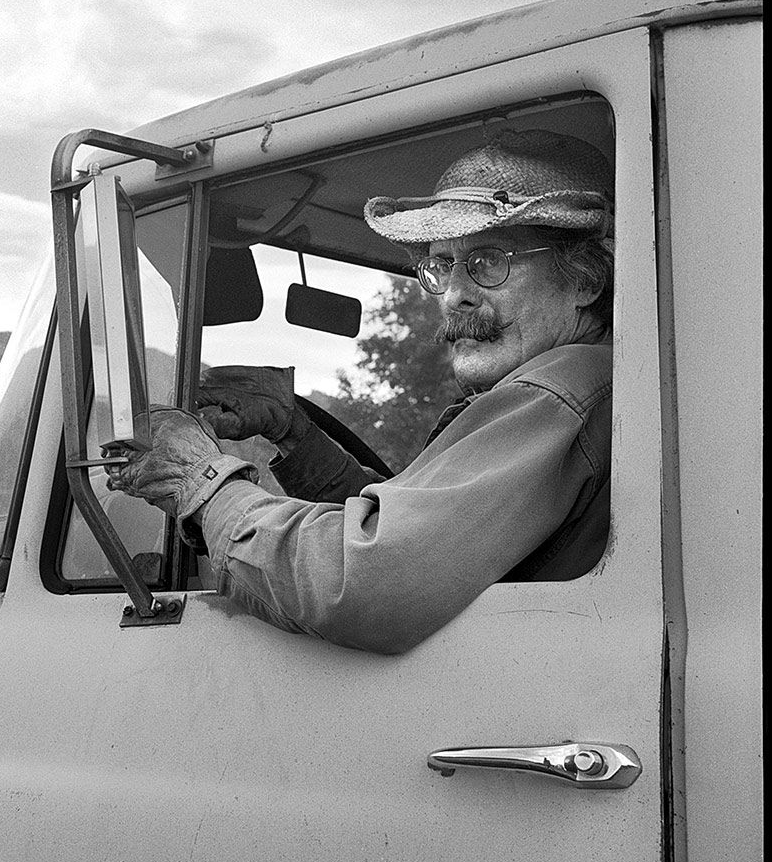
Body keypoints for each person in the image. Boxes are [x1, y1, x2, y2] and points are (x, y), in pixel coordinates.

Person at [107, 129, 616, 654]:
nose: (456, 296)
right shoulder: (578, 388)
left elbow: (360, 581)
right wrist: (295, 435)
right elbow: (411, 531)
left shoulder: (553, 392)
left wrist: (203, 484)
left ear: (585, 282)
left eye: (488, 262)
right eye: (442, 266)